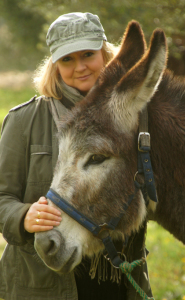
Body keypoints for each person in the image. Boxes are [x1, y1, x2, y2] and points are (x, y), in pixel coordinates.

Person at [0, 12, 153, 300]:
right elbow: (0, 197)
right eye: (67, 59)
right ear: (55, 65)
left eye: (87, 54)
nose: (79, 67)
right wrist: (23, 217)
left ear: (106, 54)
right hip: (43, 286)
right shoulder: (25, 121)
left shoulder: (134, 116)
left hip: (119, 284)